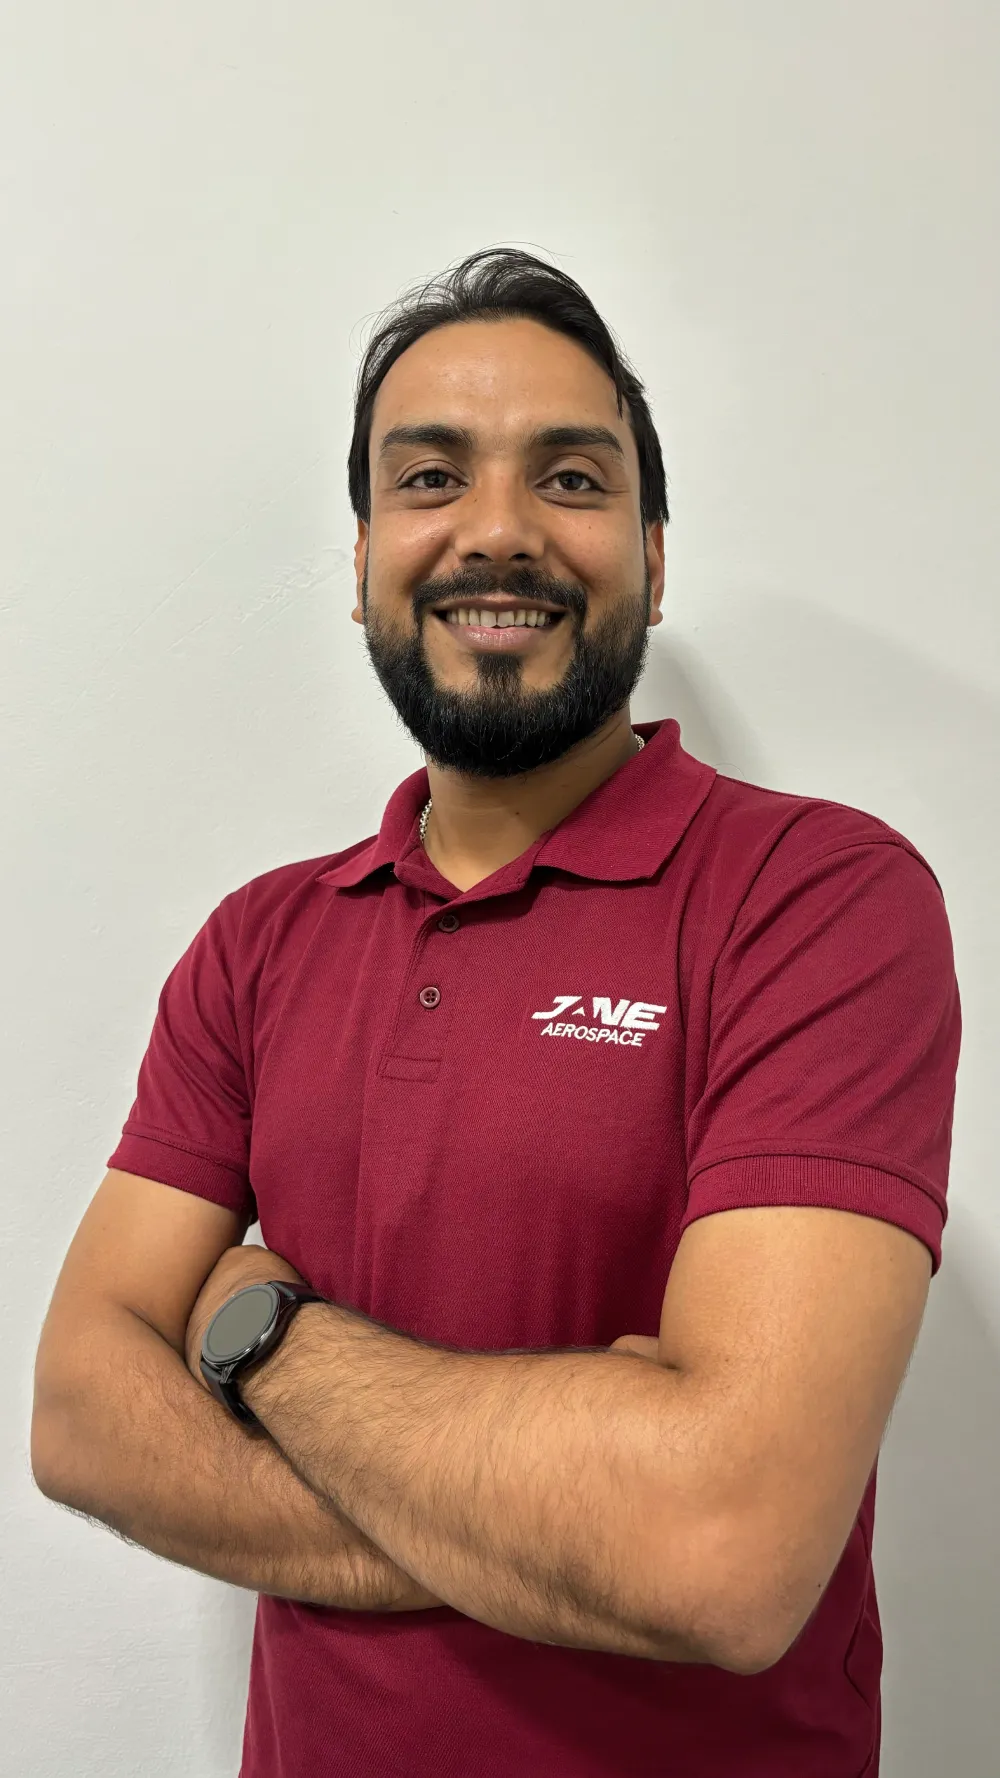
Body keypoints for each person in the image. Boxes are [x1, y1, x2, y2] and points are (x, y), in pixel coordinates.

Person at [31, 246, 961, 1778]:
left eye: (573, 479)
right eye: (431, 479)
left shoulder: (819, 898)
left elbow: (718, 1546)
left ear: (655, 556)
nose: (498, 531)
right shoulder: (257, 943)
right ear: (363, 558)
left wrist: (256, 1333)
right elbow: (78, 1407)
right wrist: (562, 1518)